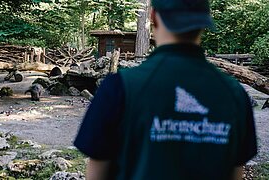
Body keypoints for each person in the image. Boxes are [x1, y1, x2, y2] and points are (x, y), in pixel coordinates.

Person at [74, 0, 258, 179]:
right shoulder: (235, 94)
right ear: (205, 22)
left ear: (153, 17)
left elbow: (96, 173)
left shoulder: (119, 87)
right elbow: (235, 173)